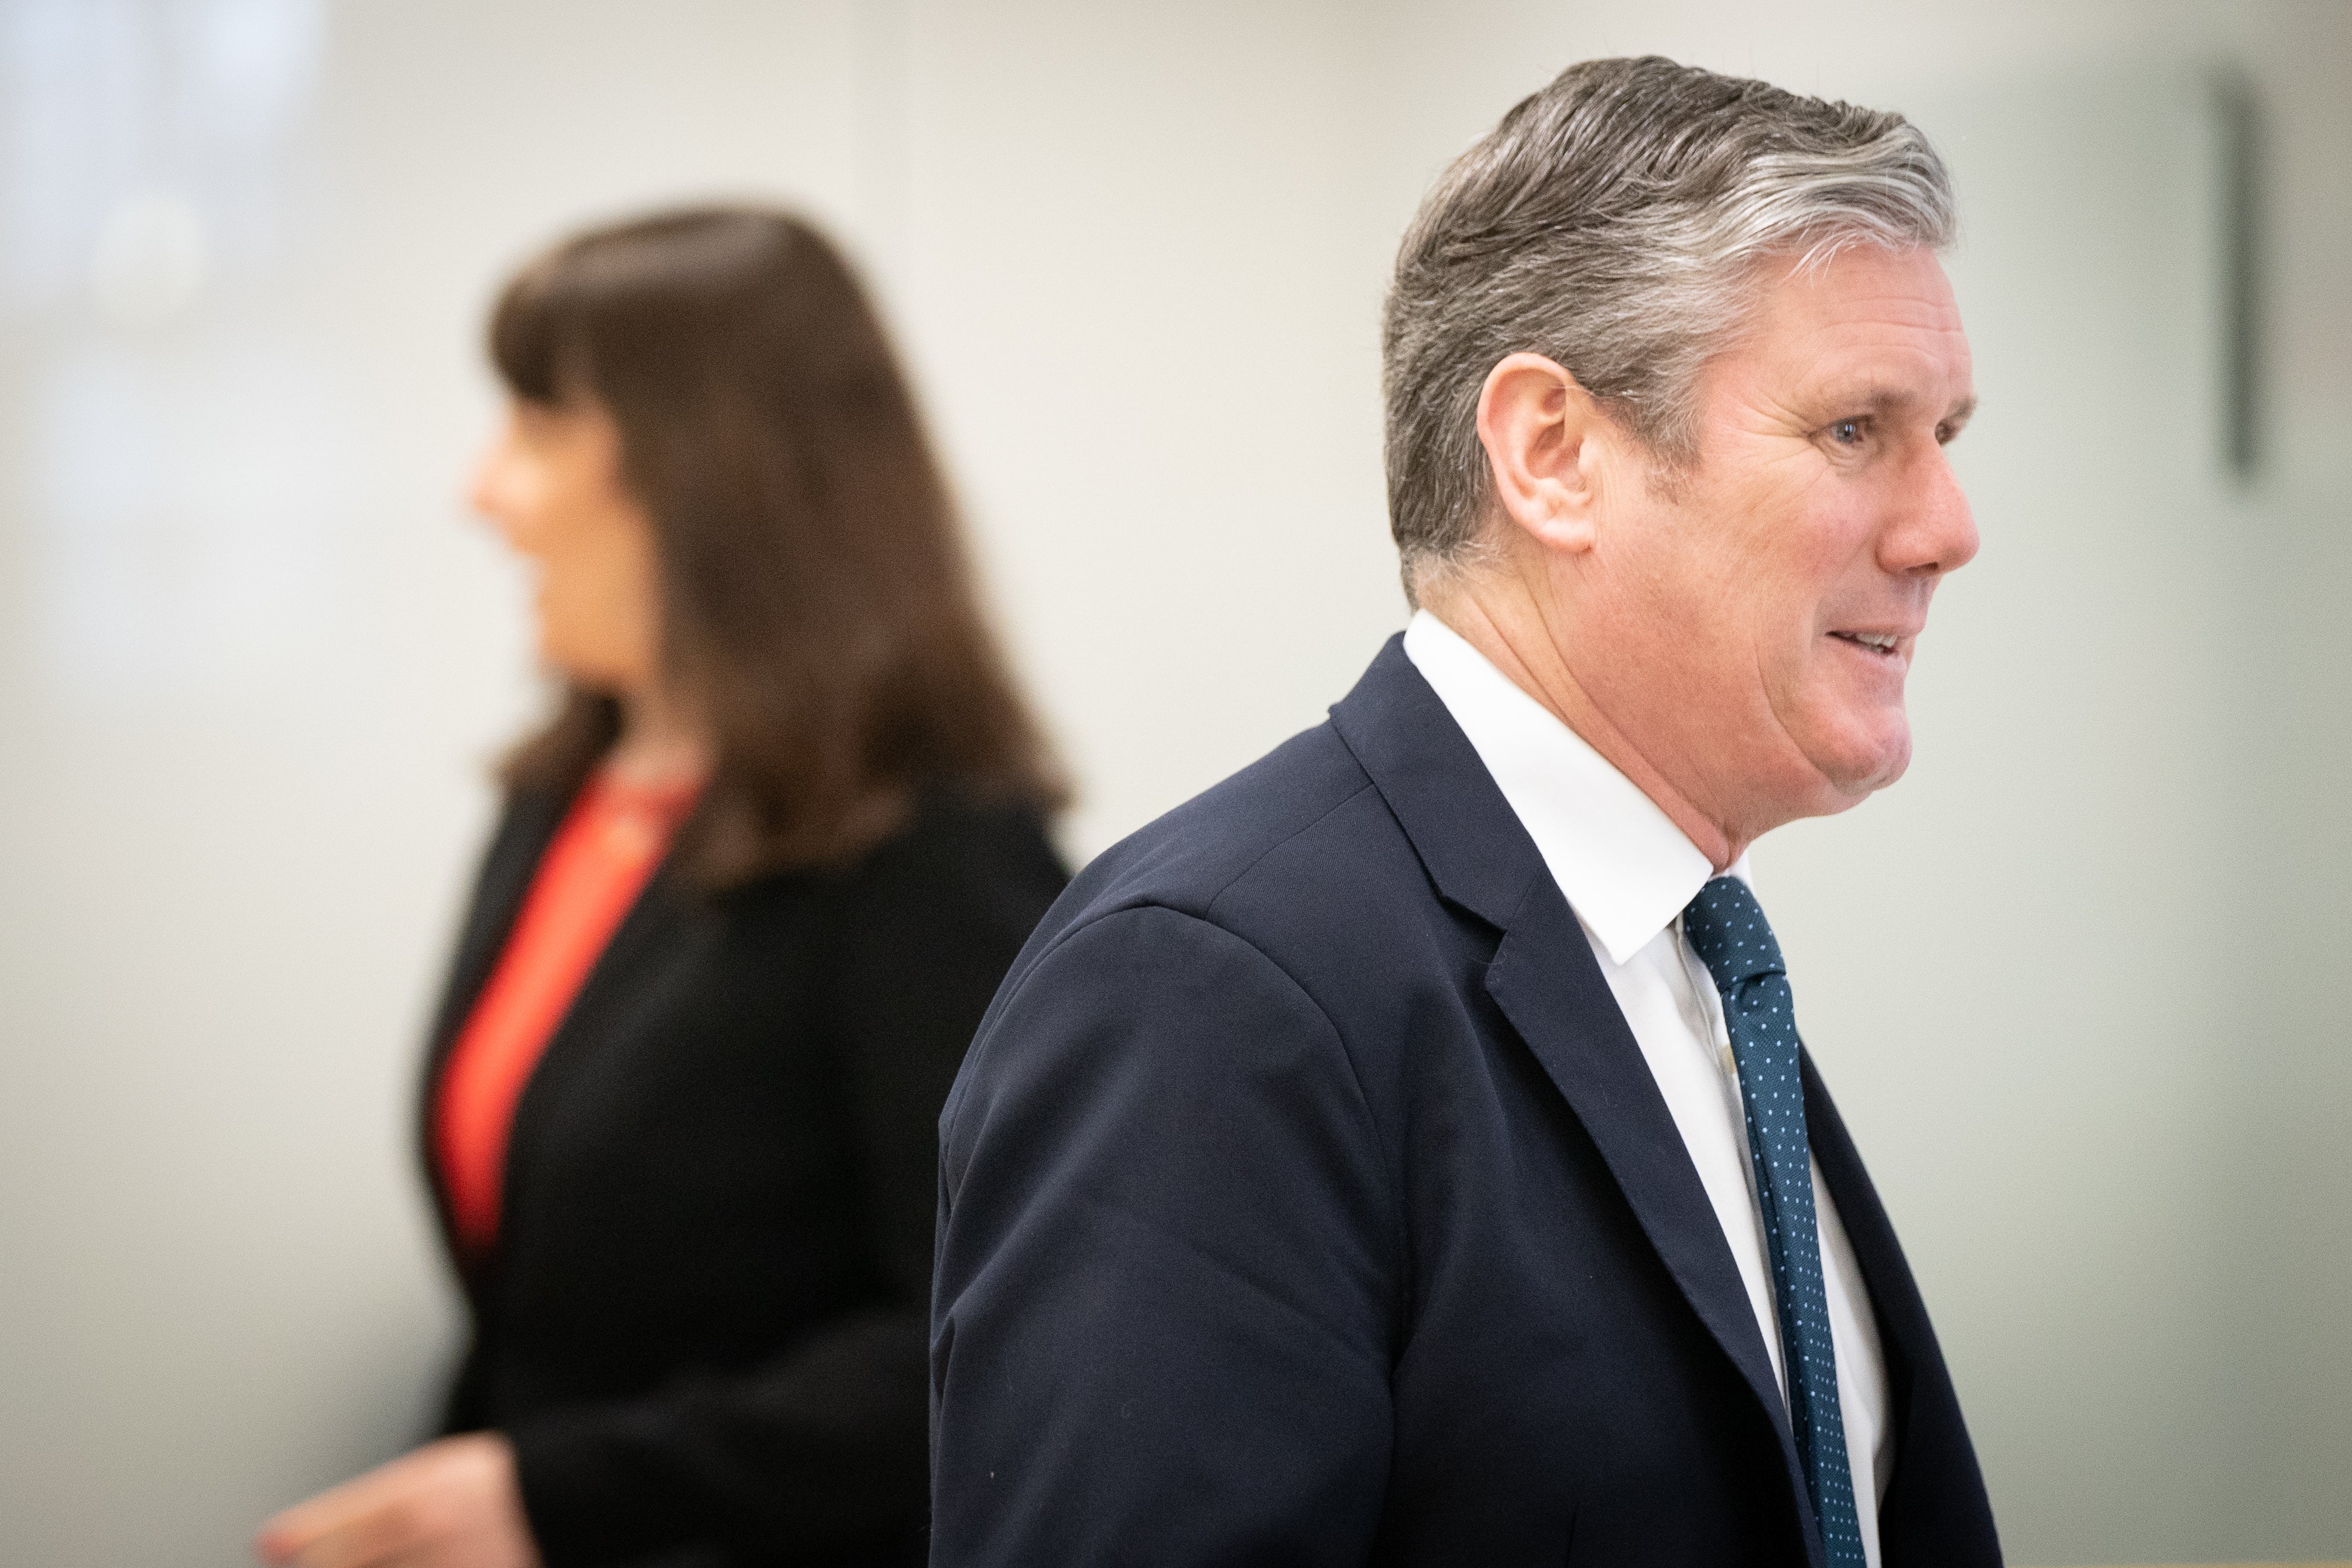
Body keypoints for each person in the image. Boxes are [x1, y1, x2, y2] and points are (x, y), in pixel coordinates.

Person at [931, 57, 2000, 1567]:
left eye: (1944, 435)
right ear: (1553, 455)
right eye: (1853, 431)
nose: (1946, 527)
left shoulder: (1695, 963)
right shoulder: (1213, 995)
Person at [257, 208, 1069, 1568]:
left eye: (534, 426)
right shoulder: (564, 792)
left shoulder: (935, 857)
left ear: (704, 471)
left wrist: (554, 1495)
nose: (482, 489)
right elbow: (534, 1328)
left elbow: (982, 1342)